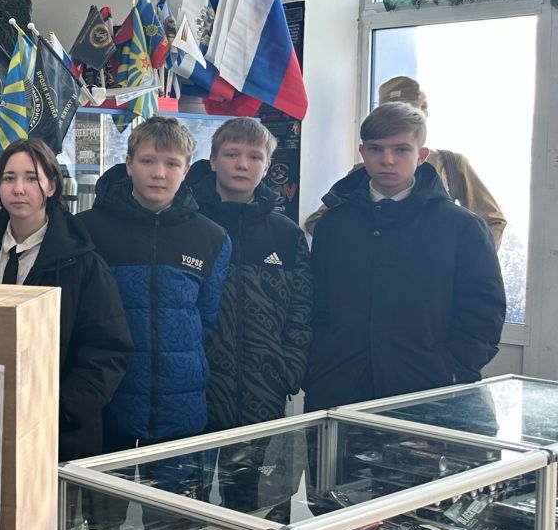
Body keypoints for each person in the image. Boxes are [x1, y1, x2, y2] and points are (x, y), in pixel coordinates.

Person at [304, 101, 505, 409]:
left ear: (421, 155)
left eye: (401, 149)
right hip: (337, 389)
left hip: (428, 392)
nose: (387, 160)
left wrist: (452, 371)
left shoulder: (462, 227)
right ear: (362, 152)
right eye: (376, 149)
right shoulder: (333, 225)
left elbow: (484, 311)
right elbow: (314, 303)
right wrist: (317, 365)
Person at [80, 116, 231, 451]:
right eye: (148, 161)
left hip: (181, 409)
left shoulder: (212, 238)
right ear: (129, 164)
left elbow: (206, 319)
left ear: (186, 169)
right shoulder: (87, 231)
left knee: (174, 488)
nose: (159, 173)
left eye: (171, 163)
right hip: (106, 406)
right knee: (101, 489)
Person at [0, 138, 133, 459]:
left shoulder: (82, 262)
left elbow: (108, 351)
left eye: (31, 178)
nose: (18, 189)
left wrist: (58, 411)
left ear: (51, 186)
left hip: (57, 433)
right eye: (9, 178)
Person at [184, 117, 312, 431]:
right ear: (213, 160)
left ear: (267, 166)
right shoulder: (187, 226)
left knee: (251, 465)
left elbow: (302, 308)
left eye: (255, 156)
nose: (242, 164)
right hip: (195, 386)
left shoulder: (287, 234)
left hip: (264, 388)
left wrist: (289, 369)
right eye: (232, 154)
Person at [304, 75, 506, 249]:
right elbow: (318, 222)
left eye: (401, 149)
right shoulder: (364, 171)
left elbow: (492, 219)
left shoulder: (451, 164)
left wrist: (469, 259)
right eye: (391, 112)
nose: (388, 161)